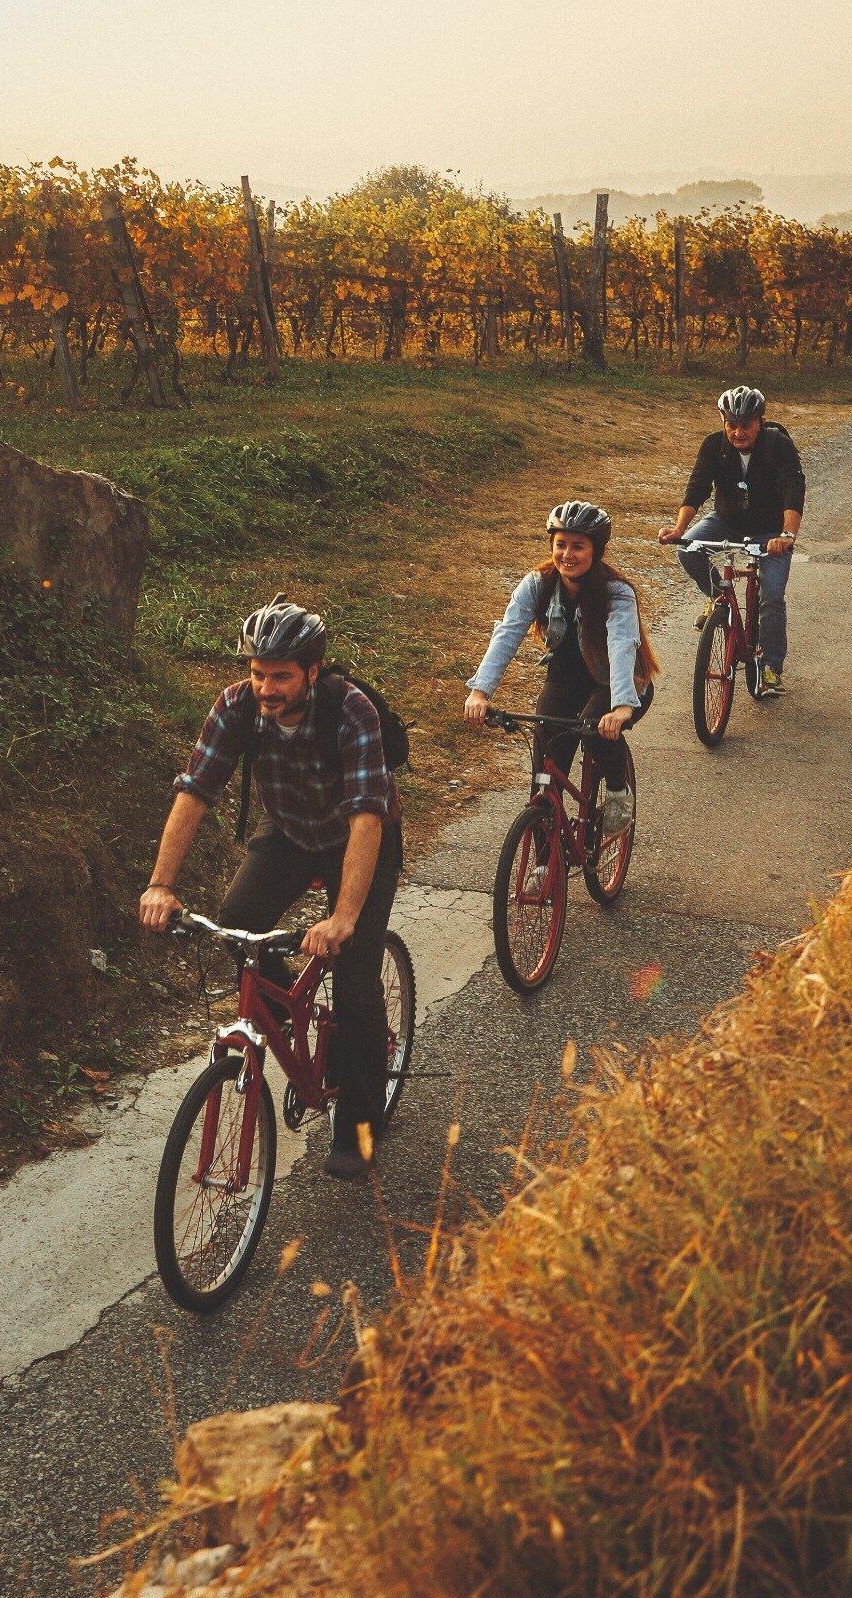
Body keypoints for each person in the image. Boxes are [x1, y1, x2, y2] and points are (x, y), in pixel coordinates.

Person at [138, 599, 401, 1180]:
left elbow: (365, 818)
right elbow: (194, 792)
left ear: (312, 670)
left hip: (359, 841)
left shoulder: (350, 710)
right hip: (288, 832)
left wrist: (343, 918)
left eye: (280, 675)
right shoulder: (235, 706)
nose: (265, 686)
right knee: (238, 921)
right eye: (258, 672)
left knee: (356, 981)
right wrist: (161, 884)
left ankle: (359, 1125)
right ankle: (292, 1024)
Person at [461, 502, 655, 844]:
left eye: (578, 546)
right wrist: (481, 691)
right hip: (564, 681)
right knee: (543, 781)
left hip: (614, 683)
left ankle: (617, 791)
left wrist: (622, 706)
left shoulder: (616, 591)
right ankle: (542, 867)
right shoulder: (537, 584)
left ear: (596, 550)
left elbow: (623, 645)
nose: (567, 554)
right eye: (560, 544)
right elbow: (507, 634)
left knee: (597, 731)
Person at [656, 386, 804, 696]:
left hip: (770, 532)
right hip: (726, 521)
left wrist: (787, 535)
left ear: (759, 422)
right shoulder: (713, 445)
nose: (738, 432)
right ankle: (718, 598)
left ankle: (771, 666)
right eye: (731, 424)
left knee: (772, 596)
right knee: (689, 551)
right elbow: (697, 487)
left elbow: (793, 489)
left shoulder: (779, 446)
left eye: (746, 425)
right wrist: (680, 529)